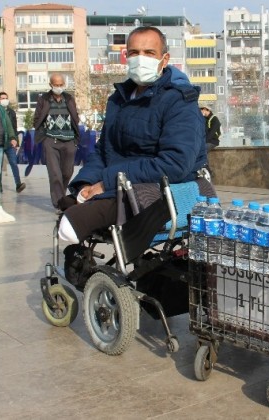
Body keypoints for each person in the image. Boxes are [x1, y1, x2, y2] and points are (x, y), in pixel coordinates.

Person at [56, 26, 207, 279]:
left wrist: (106, 183)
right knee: (68, 201)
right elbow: (104, 150)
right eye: (134, 52)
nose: (141, 58)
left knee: (70, 225)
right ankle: (84, 265)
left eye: (149, 52)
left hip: (158, 191)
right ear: (126, 56)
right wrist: (86, 183)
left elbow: (175, 163)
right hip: (120, 185)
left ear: (164, 59)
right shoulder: (118, 99)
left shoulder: (179, 101)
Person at [33, 73, 80, 210]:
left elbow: (75, 117)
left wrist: (75, 137)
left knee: (67, 173)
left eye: (61, 84)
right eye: (56, 85)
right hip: (50, 141)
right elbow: (36, 119)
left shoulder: (69, 98)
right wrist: (43, 134)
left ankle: (61, 195)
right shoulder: (43, 99)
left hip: (69, 140)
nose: (59, 87)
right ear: (50, 85)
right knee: (55, 174)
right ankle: (60, 203)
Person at [0, 92, 25, 193]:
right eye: (2, 98)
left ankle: (18, 184)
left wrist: (16, 141)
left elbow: (14, 127)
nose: (4, 100)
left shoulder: (11, 112)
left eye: (6, 98)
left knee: (13, 163)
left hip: (10, 142)